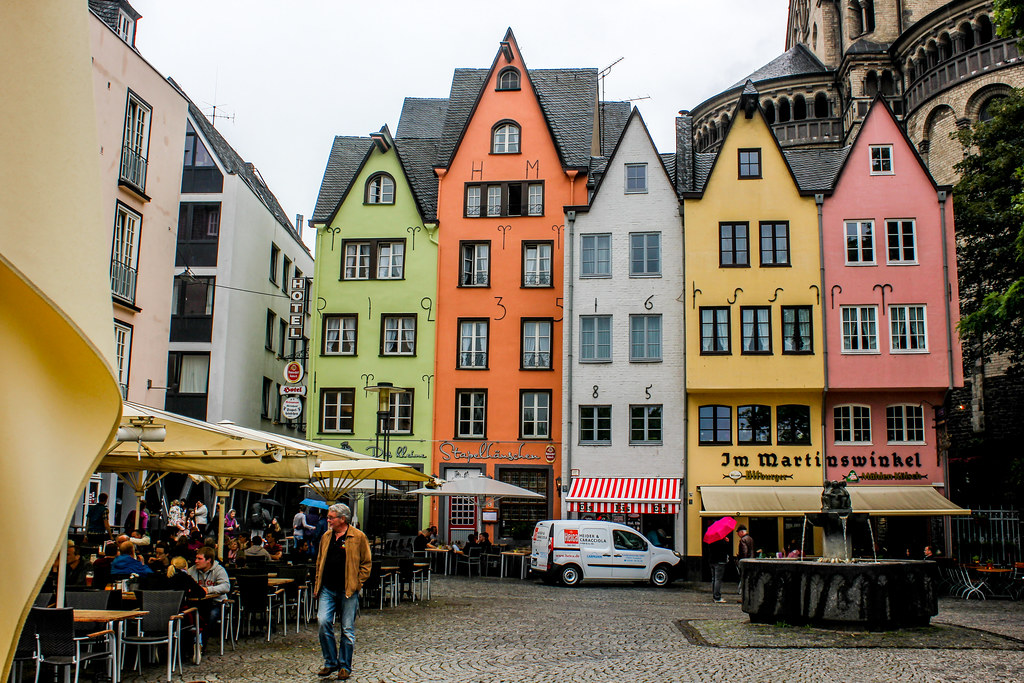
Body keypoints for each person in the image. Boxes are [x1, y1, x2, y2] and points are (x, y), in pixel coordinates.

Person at [314, 503, 371, 680]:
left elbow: (366, 564)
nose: (328, 520)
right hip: (327, 588)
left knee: (347, 629)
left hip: (348, 590)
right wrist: (318, 584)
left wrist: (357, 583)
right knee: (323, 622)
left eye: (331, 517)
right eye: (329, 517)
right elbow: (319, 562)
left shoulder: (358, 536)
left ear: (342, 519)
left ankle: (345, 666)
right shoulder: (326, 536)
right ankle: (330, 661)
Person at [188, 546, 232, 643]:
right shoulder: (192, 570)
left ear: (209, 560)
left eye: (200, 559)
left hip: (217, 603)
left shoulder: (219, 570)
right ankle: (189, 642)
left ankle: (201, 643)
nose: (196, 561)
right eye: (196, 558)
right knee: (188, 615)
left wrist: (208, 590)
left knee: (211, 616)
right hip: (198, 604)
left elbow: (226, 587)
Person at [705, 534, 731, 604]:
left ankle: (714, 595)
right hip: (720, 561)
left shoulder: (710, 539)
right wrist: (726, 542)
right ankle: (717, 596)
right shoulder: (721, 541)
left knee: (714, 579)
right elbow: (724, 550)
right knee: (718, 579)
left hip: (712, 561)